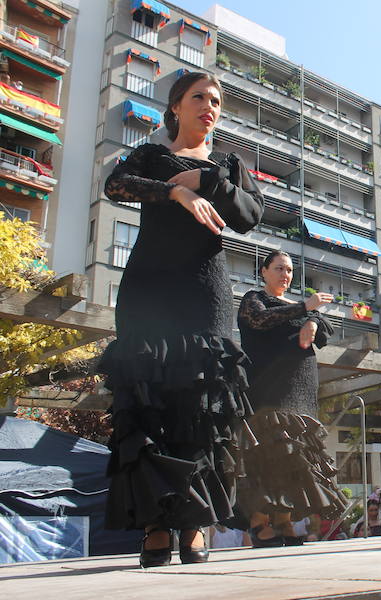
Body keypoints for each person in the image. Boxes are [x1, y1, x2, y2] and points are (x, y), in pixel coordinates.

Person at [98, 72, 264, 568]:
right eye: (198, 98)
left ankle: (192, 524)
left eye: (215, 101)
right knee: (150, 406)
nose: (208, 107)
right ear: (175, 107)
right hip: (148, 291)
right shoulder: (151, 156)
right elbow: (115, 185)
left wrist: (208, 181)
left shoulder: (229, 164)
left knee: (201, 408)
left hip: (204, 294)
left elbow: (251, 215)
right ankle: (154, 525)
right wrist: (175, 192)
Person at [236, 250, 348, 547]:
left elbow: (324, 328)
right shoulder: (253, 298)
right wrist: (305, 308)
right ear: (263, 271)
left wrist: (311, 322)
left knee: (293, 457)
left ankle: (284, 521)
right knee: (269, 453)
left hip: (300, 393)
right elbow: (258, 320)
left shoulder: (299, 306)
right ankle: (259, 523)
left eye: (289, 270)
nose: (285, 274)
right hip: (269, 390)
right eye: (278, 268)